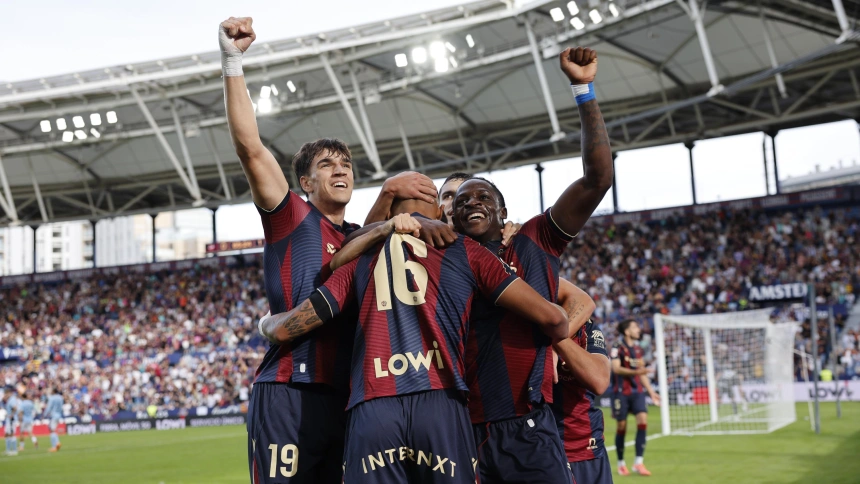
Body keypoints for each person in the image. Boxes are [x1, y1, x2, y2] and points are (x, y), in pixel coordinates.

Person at [219, 17, 448, 483]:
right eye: (326, 165)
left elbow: (368, 235)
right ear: (306, 183)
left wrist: (388, 192)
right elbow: (249, 147)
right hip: (290, 389)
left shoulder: (356, 239)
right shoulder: (291, 218)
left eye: (345, 164)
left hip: (348, 396)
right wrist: (232, 61)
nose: (339, 170)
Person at [259, 196, 571, 483]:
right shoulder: (465, 249)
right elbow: (553, 318)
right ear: (438, 214)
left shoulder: (360, 260)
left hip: (373, 410)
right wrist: (555, 343)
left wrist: (266, 323)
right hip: (440, 405)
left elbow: (290, 327)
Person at [450, 45, 612, 483]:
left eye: (484, 197)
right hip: (467, 430)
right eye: (462, 202)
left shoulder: (536, 240)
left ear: (504, 213)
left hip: (531, 428)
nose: (472, 203)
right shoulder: (445, 261)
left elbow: (598, 180)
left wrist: (583, 89)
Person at [552, 289, 613, 484]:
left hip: (584, 448)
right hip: (540, 448)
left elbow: (600, 381)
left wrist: (555, 342)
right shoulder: (520, 326)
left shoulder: (585, 329)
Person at [610, 320, 660, 476]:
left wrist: (651, 392)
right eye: (635, 327)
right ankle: (621, 464)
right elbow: (616, 368)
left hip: (637, 392)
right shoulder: (617, 347)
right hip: (621, 392)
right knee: (622, 427)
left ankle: (638, 463)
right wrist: (637, 373)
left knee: (643, 421)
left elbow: (641, 372)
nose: (638, 329)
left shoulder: (638, 349)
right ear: (627, 331)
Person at [44, 388, 64, 453]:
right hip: (58, 415)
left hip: (54, 415)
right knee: (52, 429)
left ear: (53, 391)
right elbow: (61, 407)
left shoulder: (52, 398)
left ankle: (54, 446)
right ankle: (57, 443)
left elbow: (49, 407)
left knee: (52, 430)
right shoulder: (60, 398)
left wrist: (44, 414)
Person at [3, 388, 20, 456]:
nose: (5, 396)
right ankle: (8, 450)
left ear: (8, 393)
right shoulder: (10, 399)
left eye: (6, 394)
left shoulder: (12, 399)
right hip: (9, 419)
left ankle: (14, 450)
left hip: (11, 419)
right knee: (7, 434)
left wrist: (11, 415)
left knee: (11, 434)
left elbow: (15, 408)